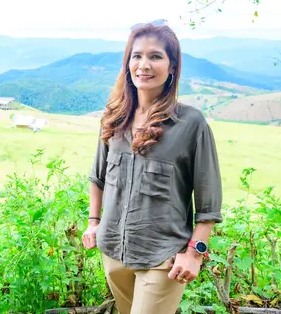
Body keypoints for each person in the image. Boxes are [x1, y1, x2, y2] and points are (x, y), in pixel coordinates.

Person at [82, 20, 223, 314]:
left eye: (155, 56)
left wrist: (195, 254)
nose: (144, 65)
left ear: (172, 67)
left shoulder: (190, 124)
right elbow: (98, 177)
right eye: (137, 56)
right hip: (113, 252)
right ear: (128, 63)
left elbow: (208, 203)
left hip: (164, 257)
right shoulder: (114, 119)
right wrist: (93, 222)